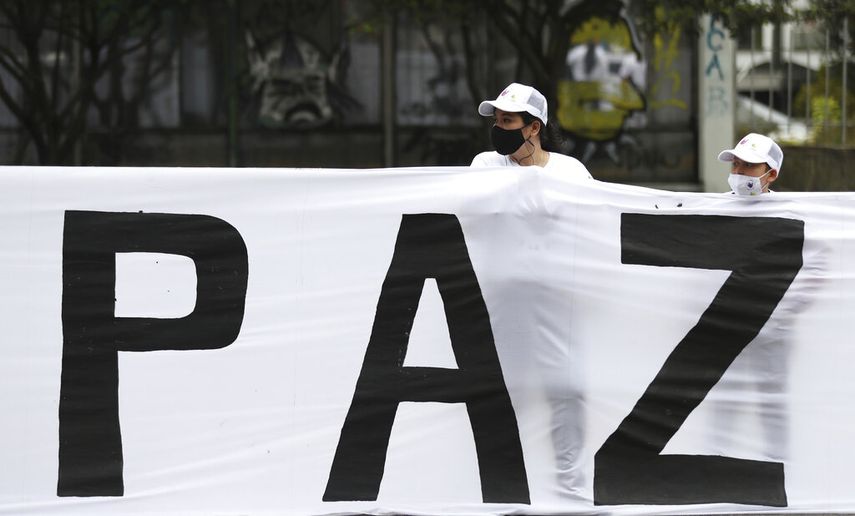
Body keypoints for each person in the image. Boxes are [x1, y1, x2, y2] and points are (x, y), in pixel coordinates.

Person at [470, 82, 592, 179]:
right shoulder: (485, 165)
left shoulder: (570, 170)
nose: (497, 127)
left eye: (506, 120)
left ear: (534, 128)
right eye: (496, 119)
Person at [717, 133, 783, 195]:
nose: (738, 171)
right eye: (735, 164)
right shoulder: (716, 204)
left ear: (771, 174)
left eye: (749, 165)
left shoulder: (784, 207)